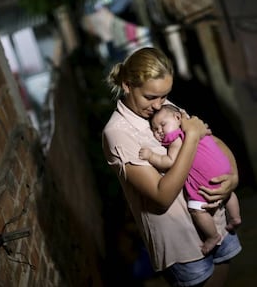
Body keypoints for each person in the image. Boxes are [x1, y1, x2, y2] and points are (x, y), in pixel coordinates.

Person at [102, 47, 242, 287]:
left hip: (215, 220)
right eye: (150, 97)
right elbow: (162, 195)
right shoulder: (117, 133)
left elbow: (211, 141)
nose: (158, 105)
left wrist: (234, 176)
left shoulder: (165, 105)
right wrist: (192, 138)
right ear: (127, 85)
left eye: (164, 96)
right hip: (183, 244)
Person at [139, 104, 242, 255]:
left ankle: (212, 236)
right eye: (155, 130)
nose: (159, 131)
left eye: (162, 125)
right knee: (228, 193)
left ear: (177, 118)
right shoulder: (193, 126)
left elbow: (170, 161)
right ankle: (235, 217)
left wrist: (151, 156)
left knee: (196, 209)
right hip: (222, 168)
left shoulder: (176, 137)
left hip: (205, 179)